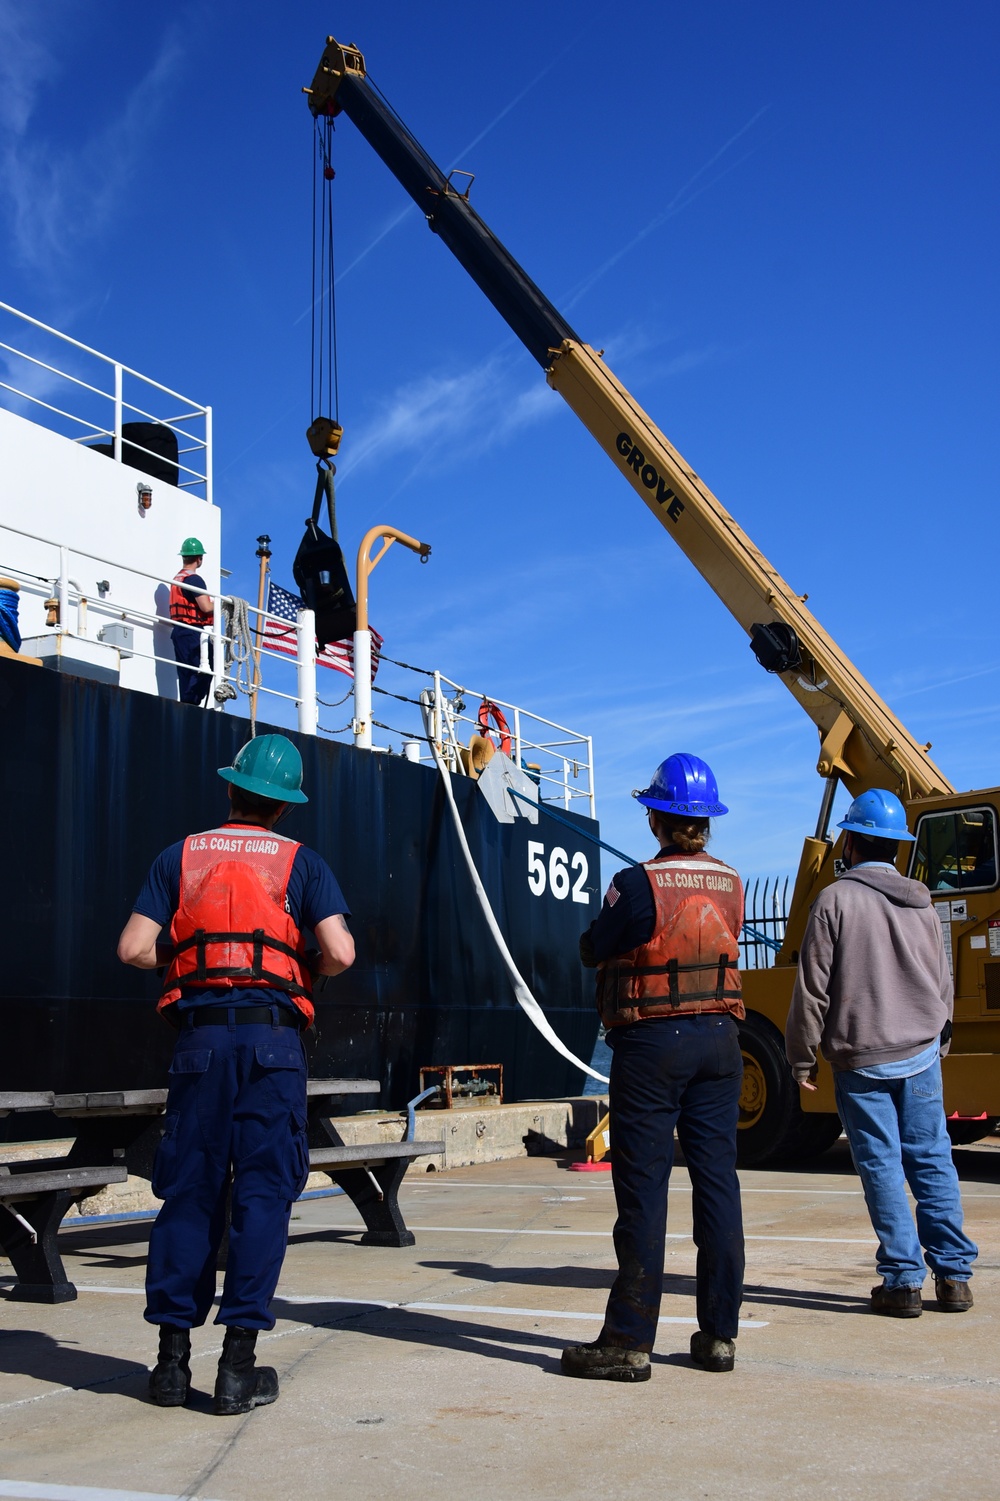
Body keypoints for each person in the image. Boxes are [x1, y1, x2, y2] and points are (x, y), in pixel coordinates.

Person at [117, 734, 355, 1413]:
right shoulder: (303, 864)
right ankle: (237, 1367)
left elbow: (134, 946)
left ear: (231, 789)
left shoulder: (180, 856)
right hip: (272, 1045)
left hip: (198, 1046)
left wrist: (191, 949)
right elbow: (341, 949)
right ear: (283, 808)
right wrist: (297, 964)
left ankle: (169, 1365)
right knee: (261, 1197)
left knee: (189, 1192)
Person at [561, 753, 745, 1382]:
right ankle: (719, 1336)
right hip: (722, 1041)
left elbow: (597, 945)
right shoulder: (733, 881)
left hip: (652, 1043)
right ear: (706, 822)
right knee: (717, 1185)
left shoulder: (636, 883)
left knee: (644, 1190)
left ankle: (629, 1341)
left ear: (655, 818)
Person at [785, 787, 977, 1317]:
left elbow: (813, 990)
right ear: (896, 846)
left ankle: (902, 1282)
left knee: (883, 1167)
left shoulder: (834, 901)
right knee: (933, 1160)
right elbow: (944, 979)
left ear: (847, 841)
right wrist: (942, 1034)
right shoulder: (923, 901)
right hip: (921, 1051)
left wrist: (801, 1057)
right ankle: (955, 1276)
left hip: (863, 1058)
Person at [170, 537, 214, 705]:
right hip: (193, 632)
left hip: (179, 632)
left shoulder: (178, 579)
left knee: (186, 673)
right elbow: (205, 607)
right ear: (199, 558)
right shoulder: (194, 579)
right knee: (204, 669)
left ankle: (187, 704)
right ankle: (192, 704)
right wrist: (223, 604)